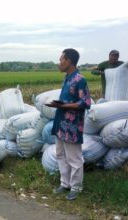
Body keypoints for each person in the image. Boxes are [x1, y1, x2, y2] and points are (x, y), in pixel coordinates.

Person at [49, 48, 91, 201]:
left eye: (61, 60)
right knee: (60, 154)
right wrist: (60, 105)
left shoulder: (80, 79)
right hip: (61, 123)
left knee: (74, 158)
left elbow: (85, 103)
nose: (59, 63)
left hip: (72, 126)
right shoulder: (68, 78)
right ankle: (64, 183)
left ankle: (76, 187)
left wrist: (63, 106)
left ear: (69, 61)